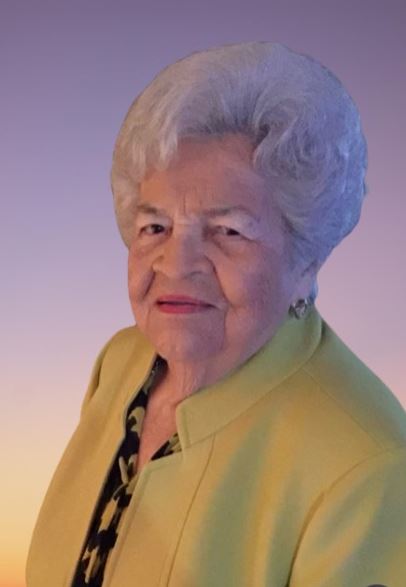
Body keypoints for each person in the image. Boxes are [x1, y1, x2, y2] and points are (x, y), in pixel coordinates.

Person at [26, 41, 406, 587]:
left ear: (306, 259)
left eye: (228, 231)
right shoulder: (122, 362)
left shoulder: (368, 466)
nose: (176, 264)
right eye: (155, 227)